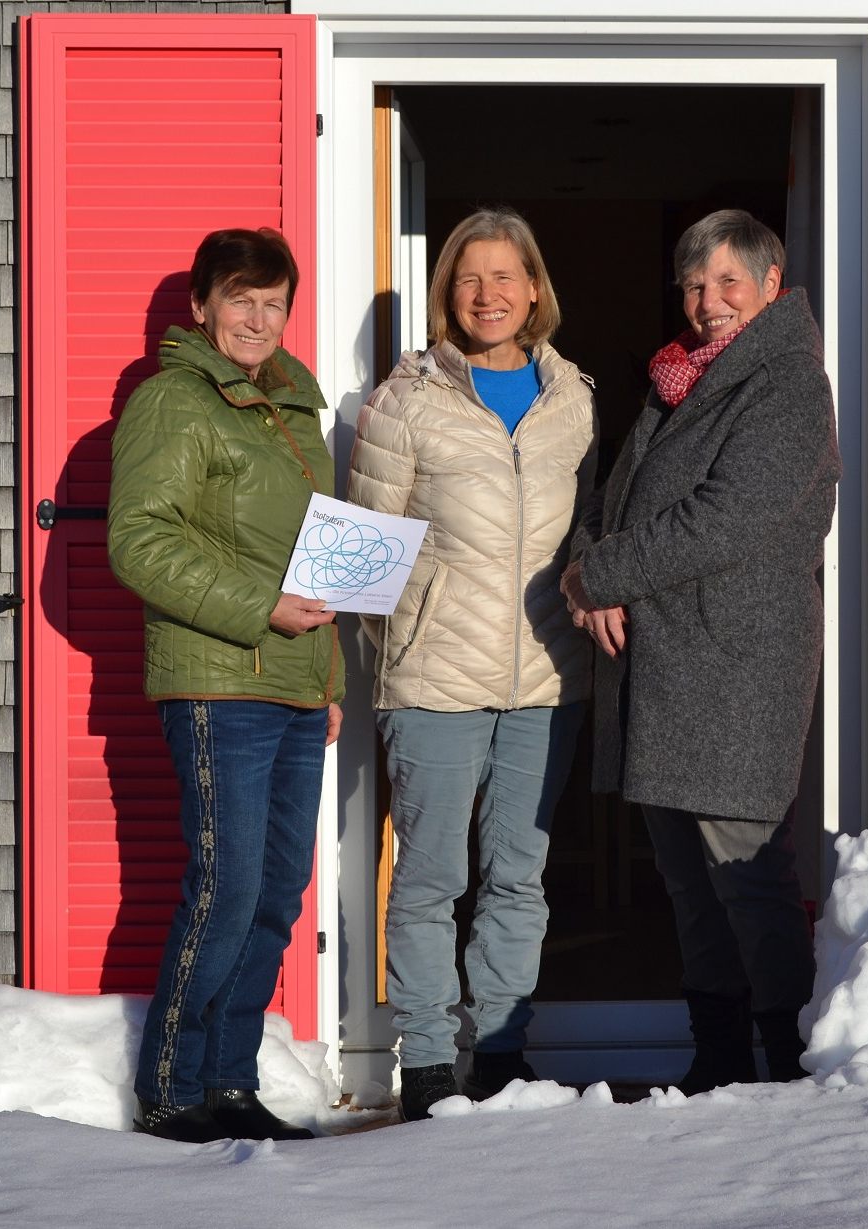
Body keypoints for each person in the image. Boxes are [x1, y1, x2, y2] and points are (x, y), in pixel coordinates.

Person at [562, 209, 840, 1094]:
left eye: (726, 281)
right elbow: (617, 499)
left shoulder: (787, 383)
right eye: (691, 282)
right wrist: (589, 560)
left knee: (748, 882)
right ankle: (717, 1055)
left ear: (769, 283)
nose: (707, 299)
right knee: (689, 886)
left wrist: (597, 575)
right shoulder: (677, 381)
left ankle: (785, 1066)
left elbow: (720, 519)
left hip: (736, 668)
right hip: (669, 666)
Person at [348, 208, 597, 1122]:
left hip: (545, 677)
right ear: (446, 295)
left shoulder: (574, 400)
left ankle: (496, 1047)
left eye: (505, 276)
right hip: (433, 684)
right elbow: (368, 557)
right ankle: (424, 1057)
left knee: (516, 875)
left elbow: (592, 531)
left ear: (535, 288)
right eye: (468, 278)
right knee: (427, 876)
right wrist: (405, 652)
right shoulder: (404, 401)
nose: (488, 295)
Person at [108, 227, 342, 1143]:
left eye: (273, 302)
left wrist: (325, 679)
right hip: (217, 680)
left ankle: (231, 1082)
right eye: (239, 298)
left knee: (278, 890)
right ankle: (170, 1087)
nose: (257, 317)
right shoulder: (176, 401)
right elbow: (140, 541)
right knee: (227, 884)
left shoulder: (290, 410)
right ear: (201, 306)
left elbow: (312, 564)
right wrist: (262, 611)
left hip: (289, 685)